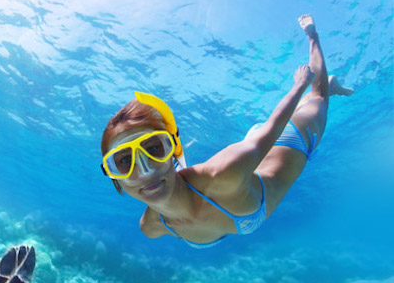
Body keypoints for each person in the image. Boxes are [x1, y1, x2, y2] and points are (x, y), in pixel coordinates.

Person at [99, 14, 352, 248]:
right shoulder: (152, 227)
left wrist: (299, 87)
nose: (145, 170)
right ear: (115, 180)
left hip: (287, 140)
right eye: (123, 162)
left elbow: (273, 129)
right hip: (249, 154)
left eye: (154, 149)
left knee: (317, 98)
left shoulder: (223, 174)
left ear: (172, 151)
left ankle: (314, 41)